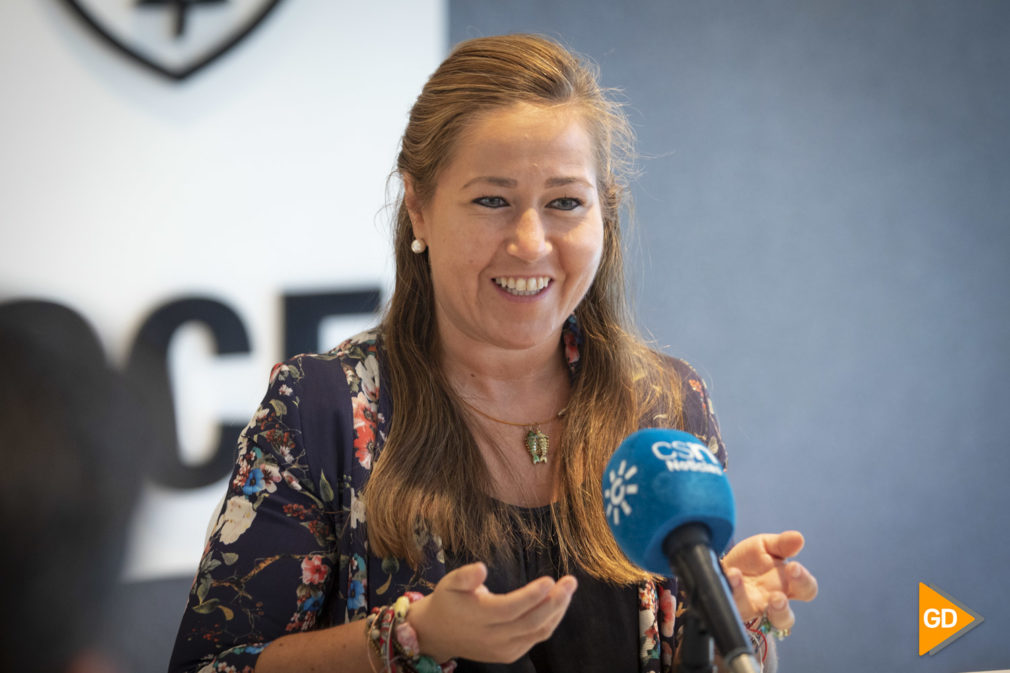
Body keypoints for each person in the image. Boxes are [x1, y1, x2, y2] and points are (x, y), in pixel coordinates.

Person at [168, 34, 817, 673]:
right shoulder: (321, 409)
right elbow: (213, 666)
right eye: (492, 201)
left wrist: (722, 618)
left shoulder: (669, 403)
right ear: (418, 208)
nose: (531, 243)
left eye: (565, 202)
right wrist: (409, 636)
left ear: (605, 211)